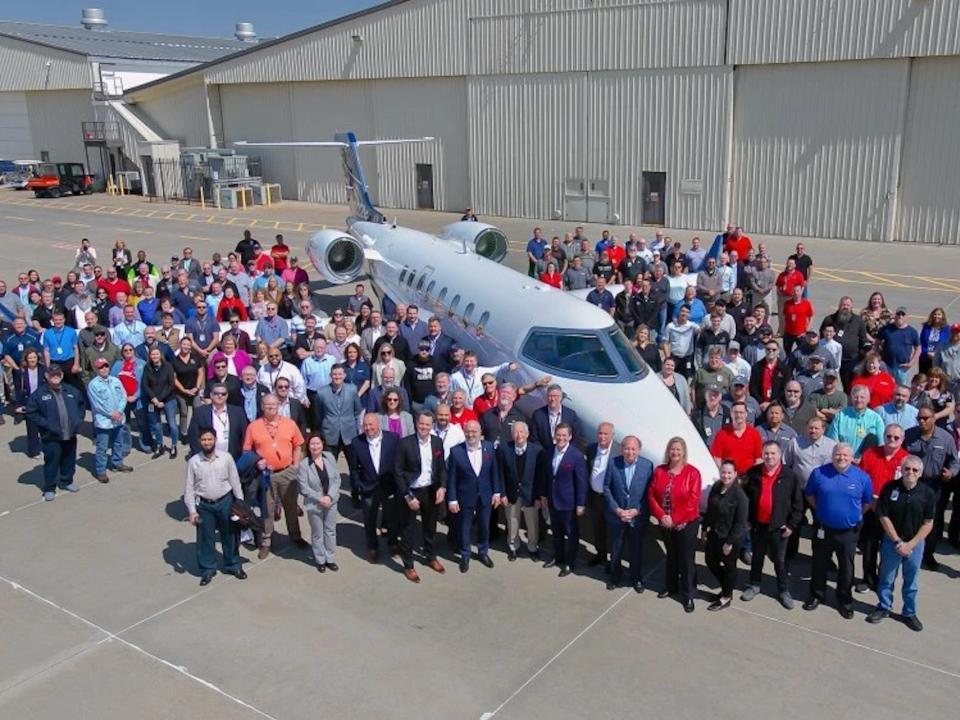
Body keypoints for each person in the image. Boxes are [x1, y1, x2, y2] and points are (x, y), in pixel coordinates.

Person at [803, 443, 874, 619]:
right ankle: (817, 595)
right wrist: (820, 509)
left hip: (848, 532)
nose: (841, 458)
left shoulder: (862, 478)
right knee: (819, 563)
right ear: (832, 455)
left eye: (845, 455)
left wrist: (855, 515)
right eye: (838, 454)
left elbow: (867, 502)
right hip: (823, 528)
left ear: (851, 458)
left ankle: (844, 600)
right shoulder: (819, 473)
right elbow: (809, 494)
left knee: (846, 568)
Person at [867, 455, 935, 631]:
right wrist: (897, 540)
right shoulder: (889, 488)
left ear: (920, 473)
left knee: (911, 581)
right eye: (907, 469)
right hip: (892, 542)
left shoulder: (928, 493)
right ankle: (883, 607)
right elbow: (883, 515)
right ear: (901, 469)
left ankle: (909, 612)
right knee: (886, 578)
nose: (910, 472)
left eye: (914, 470)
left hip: (915, 544)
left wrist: (911, 544)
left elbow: (928, 523)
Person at [243, 393, 309, 559]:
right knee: (268, 510)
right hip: (265, 475)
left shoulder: (289, 423)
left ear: (279, 405)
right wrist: (257, 461)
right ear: (262, 407)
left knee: (291, 507)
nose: (271, 407)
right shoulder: (253, 426)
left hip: (287, 472)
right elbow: (246, 450)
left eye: (273, 404)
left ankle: (295, 535)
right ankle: (266, 541)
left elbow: (298, 445)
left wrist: (295, 465)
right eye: (267, 405)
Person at [741, 442, 803, 609]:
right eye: (766, 453)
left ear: (779, 455)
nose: (769, 457)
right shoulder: (753, 473)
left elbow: (798, 504)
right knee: (757, 557)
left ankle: (783, 590)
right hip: (757, 526)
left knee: (780, 561)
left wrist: (791, 525)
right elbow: (744, 498)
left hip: (779, 528)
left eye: (773, 453)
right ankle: (754, 585)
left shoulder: (789, 476)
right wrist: (746, 519)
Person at [183, 427, 246, 586]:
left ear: (215, 440)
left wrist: (240, 503)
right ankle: (207, 569)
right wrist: (192, 511)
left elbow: (235, 481)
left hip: (225, 502)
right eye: (204, 440)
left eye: (210, 439)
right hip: (204, 505)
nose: (207, 442)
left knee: (230, 535)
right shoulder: (194, 462)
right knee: (205, 538)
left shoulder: (226, 458)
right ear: (199, 441)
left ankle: (233, 565)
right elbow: (189, 488)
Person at [649, 437, 702, 612]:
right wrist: (662, 516)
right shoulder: (660, 471)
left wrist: (675, 519)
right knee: (671, 556)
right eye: (672, 449)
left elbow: (693, 502)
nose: (675, 452)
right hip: (665, 522)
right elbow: (651, 496)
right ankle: (670, 586)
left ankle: (688, 594)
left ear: (684, 452)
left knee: (687, 561)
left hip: (686, 524)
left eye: (679, 449)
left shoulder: (693, 473)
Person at [395, 410, 448, 582]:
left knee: (430, 527)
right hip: (412, 491)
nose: (424, 427)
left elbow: (441, 468)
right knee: (408, 530)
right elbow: (398, 472)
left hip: (431, 490)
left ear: (432, 425)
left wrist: (442, 487)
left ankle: (430, 556)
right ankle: (409, 565)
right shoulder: (405, 444)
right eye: (421, 424)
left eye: (427, 424)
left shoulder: (437, 442)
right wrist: (408, 496)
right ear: (416, 424)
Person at [903, 408, 959, 570]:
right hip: (911, 483)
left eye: (926, 418)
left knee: (931, 521)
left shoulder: (945, 438)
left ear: (934, 418)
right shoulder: (910, 435)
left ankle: (928, 554)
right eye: (919, 418)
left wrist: (951, 472)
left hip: (934, 485)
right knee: (909, 517)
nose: (922, 421)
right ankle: (907, 550)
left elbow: (955, 461)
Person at [447, 419, 501, 573]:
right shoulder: (456, 451)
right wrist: (452, 499)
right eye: (468, 432)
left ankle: (483, 552)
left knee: (484, 525)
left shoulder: (489, 448)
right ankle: (465, 555)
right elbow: (452, 478)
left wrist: (497, 492)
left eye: (474, 432)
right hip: (465, 496)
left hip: (485, 494)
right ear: (464, 433)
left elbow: (494, 472)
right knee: (464, 526)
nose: (471, 435)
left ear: (480, 434)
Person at [26, 366, 84, 501]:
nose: (55, 376)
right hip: (51, 436)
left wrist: (77, 420)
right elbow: (31, 412)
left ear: (62, 375)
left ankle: (66, 481)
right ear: (46, 376)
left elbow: (81, 405)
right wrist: (46, 425)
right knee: (52, 461)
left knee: (69, 459)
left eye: (58, 374)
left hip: (70, 434)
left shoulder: (71, 390)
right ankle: (49, 488)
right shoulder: (39, 394)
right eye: (52, 374)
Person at [604, 435, 654, 593]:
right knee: (616, 548)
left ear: (639, 450)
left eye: (633, 449)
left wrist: (637, 510)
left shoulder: (647, 466)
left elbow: (649, 493)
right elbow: (606, 489)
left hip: (636, 517)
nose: (630, 452)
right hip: (617, 516)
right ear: (621, 449)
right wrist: (617, 509)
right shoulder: (613, 463)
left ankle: (636, 577)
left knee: (636, 549)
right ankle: (614, 576)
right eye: (626, 448)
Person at [540, 423, 587, 577]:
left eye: (564, 435)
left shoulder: (576, 456)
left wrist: (580, 503)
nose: (560, 438)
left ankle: (570, 563)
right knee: (556, 532)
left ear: (570, 437)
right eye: (558, 435)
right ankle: (558, 556)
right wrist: (545, 496)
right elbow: (547, 476)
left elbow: (581, 481)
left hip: (569, 503)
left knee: (571, 533)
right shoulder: (549, 452)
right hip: (553, 500)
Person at [702, 460, 748, 611]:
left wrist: (729, 543)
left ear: (735, 474)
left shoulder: (740, 496)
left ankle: (726, 596)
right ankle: (727, 587)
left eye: (729, 473)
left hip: (730, 539)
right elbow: (710, 510)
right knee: (710, 561)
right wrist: (704, 529)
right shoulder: (716, 487)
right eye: (723, 472)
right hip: (715, 534)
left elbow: (740, 524)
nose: (726, 475)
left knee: (729, 567)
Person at [497, 420, 543, 561]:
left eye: (521, 432)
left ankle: (532, 547)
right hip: (511, 493)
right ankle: (513, 546)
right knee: (512, 520)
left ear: (527, 434)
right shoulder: (504, 449)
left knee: (532, 522)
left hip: (530, 494)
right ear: (512, 434)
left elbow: (540, 476)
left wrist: (538, 497)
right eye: (516, 432)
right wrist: (502, 494)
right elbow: (500, 473)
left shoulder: (537, 451)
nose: (519, 435)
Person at [297, 433, 340, 573]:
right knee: (317, 533)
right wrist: (320, 498)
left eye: (318, 443)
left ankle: (330, 558)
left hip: (331, 501)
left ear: (323, 443)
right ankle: (320, 559)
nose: (315, 446)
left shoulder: (330, 457)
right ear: (308, 447)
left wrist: (329, 496)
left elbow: (336, 480)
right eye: (312, 444)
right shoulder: (304, 465)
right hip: (314, 504)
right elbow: (303, 488)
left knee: (330, 531)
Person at [87, 358, 132, 483]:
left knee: (118, 443)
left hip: (118, 418)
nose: (104, 369)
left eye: (106, 366)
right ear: (96, 369)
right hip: (104, 421)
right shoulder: (93, 385)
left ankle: (117, 463)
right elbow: (97, 404)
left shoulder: (115, 380)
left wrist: (119, 411)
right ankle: (101, 471)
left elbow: (123, 396)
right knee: (102, 447)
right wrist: (111, 413)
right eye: (101, 367)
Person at [312, 364, 364, 462]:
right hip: (330, 433)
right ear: (330, 375)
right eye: (334, 374)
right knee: (329, 465)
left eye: (340, 374)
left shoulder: (352, 389)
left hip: (349, 433)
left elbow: (357, 412)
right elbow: (318, 415)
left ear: (344, 375)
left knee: (354, 465)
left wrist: (358, 430)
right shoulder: (321, 392)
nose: (337, 377)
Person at [585, 422, 616, 569]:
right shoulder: (591, 449)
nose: (602, 437)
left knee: (613, 530)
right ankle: (600, 555)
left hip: (611, 499)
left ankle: (613, 560)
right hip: (595, 497)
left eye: (606, 434)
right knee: (598, 528)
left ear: (612, 435)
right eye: (600, 433)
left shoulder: (618, 452)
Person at [826, 385, 885, 460]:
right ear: (851, 399)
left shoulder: (876, 419)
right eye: (856, 397)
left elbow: (881, 444)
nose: (859, 400)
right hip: (843, 460)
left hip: (867, 461)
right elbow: (832, 441)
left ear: (868, 399)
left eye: (862, 397)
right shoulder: (840, 416)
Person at [142, 348, 179, 460]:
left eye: (157, 354)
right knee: (156, 425)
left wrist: (160, 399)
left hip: (168, 399)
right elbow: (145, 385)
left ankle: (173, 445)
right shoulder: (147, 367)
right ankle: (160, 445)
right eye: (152, 354)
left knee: (172, 424)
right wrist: (154, 399)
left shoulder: (168, 366)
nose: (155, 356)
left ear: (161, 355)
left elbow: (171, 385)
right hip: (153, 401)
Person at [710, 402, 762, 476]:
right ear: (731, 414)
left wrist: (754, 475)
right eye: (736, 412)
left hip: (749, 478)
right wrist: (725, 473)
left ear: (746, 414)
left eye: (741, 412)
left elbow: (759, 459)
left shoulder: (754, 434)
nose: (738, 415)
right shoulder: (722, 434)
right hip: (728, 477)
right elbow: (717, 458)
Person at [530, 384, 582, 449]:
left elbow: (576, 437)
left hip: (566, 455)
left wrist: (567, 452)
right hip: (544, 455)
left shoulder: (571, 415)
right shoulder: (538, 415)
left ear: (561, 397)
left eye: (555, 396)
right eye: (550, 396)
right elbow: (534, 438)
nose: (552, 399)